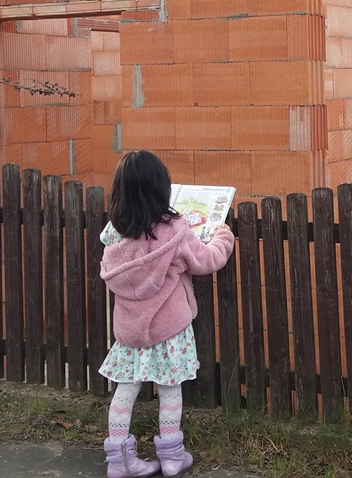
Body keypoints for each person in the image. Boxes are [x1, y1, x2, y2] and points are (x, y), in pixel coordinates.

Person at [99, 150, 235, 478]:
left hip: (131, 330)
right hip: (170, 329)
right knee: (170, 391)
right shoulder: (175, 230)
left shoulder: (115, 232)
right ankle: (173, 457)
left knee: (125, 390)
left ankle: (119, 461)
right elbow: (206, 261)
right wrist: (224, 237)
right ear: (162, 188)